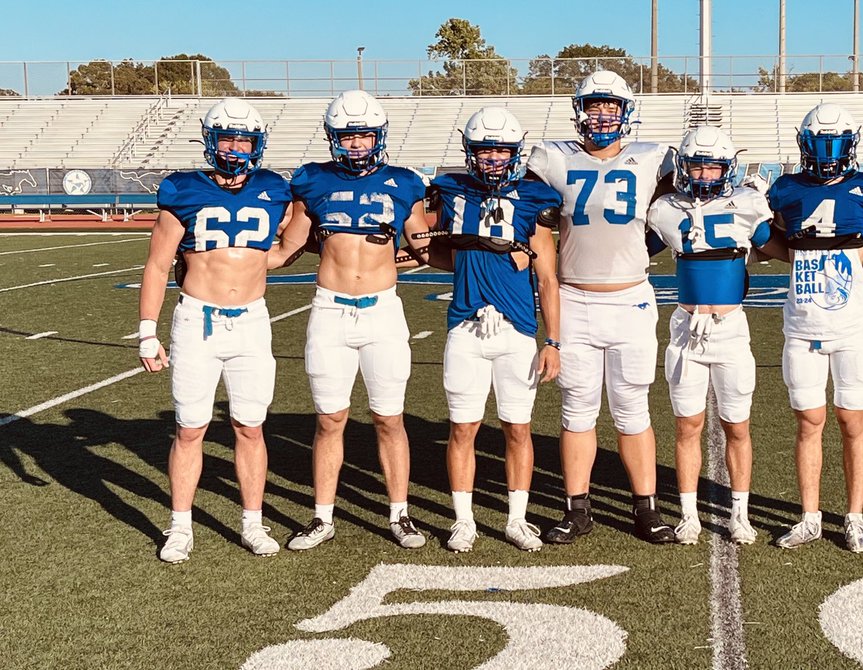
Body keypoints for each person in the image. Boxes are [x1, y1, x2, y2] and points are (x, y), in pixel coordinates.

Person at [267, 90, 429, 551]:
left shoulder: (404, 182)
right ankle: (322, 517)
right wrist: (233, 257)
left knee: (389, 418)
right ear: (333, 138)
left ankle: (400, 514)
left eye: (363, 136)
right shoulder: (313, 181)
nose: (356, 145)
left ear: (379, 136)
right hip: (330, 310)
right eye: (347, 136)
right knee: (330, 419)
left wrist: (484, 257)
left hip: (383, 310)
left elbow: (422, 248)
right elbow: (286, 249)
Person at [525, 70, 677, 544]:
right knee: (577, 408)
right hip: (573, 298)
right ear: (579, 111)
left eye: (611, 107)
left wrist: (644, 246)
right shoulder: (551, 157)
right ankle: (577, 509)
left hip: (631, 297)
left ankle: (646, 509)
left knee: (632, 408)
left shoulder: (654, 157)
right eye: (594, 106)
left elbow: (675, 205)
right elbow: (525, 205)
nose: (602, 115)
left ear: (626, 112)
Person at [139, 98, 293, 563]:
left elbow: (289, 243)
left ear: (258, 143)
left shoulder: (274, 189)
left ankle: (252, 522)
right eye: (227, 137)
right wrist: (148, 330)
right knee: (190, 428)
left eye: (244, 138)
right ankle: (180, 526)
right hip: (197, 320)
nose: (235, 147)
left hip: (251, 320)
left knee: (250, 427)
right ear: (210, 140)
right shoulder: (182, 190)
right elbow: (157, 263)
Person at [413, 107, 563, 553]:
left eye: (502, 150)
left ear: (515, 153)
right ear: (470, 152)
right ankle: (464, 520)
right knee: (464, 428)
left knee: (518, 428)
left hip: (517, 331)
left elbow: (548, 278)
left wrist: (552, 340)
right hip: (466, 325)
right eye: (485, 151)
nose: (494, 158)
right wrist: (466, 263)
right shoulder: (451, 191)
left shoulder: (535, 198)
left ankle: (516, 519)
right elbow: (424, 246)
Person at [761, 103, 863, 553]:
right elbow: (773, 242)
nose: (827, 151)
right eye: (820, 142)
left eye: (835, 142)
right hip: (801, 326)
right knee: (808, 423)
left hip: (852, 326)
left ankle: (854, 517)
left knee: (852, 421)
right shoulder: (786, 189)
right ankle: (810, 516)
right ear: (804, 143)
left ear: (851, 144)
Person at [646, 126, 774, 546]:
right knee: (688, 425)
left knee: (737, 425)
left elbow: (771, 243)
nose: (704, 175)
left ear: (728, 168)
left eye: (713, 166)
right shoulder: (665, 208)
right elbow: (638, 246)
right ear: (683, 167)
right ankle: (689, 513)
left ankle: (739, 512)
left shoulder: (749, 203)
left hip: (730, 327)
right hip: (686, 327)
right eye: (697, 165)